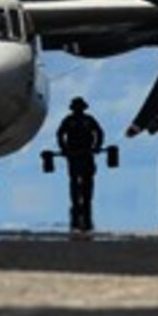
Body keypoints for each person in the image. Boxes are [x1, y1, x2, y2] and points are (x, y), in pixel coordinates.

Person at [56, 96, 105, 231]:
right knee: (74, 180)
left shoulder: (88, 120)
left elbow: (99, 133)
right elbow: (60, 134)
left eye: (79, 108)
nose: (78, 110)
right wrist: (64, 148)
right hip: (74, 154)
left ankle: (85, 203)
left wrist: (96, 146)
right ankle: (78, 204)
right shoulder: (69, 121)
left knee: (87, 180)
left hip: (86, 154)